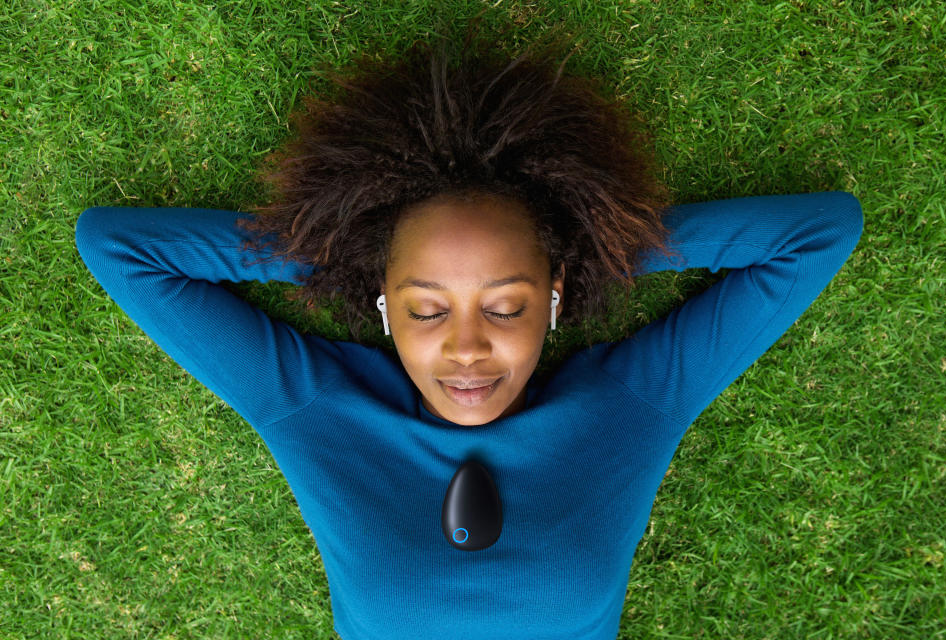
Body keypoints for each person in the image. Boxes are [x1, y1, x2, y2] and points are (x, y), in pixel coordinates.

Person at [74, 23, 863, 640]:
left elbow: (820, 230)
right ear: (384, 305)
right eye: (424, 307)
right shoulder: (315, 407)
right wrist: (353, 256)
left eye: (507, 304)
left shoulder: (632, 404)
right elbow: (118, 247)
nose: (465, 348)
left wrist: (593, 243)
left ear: (556, 299)